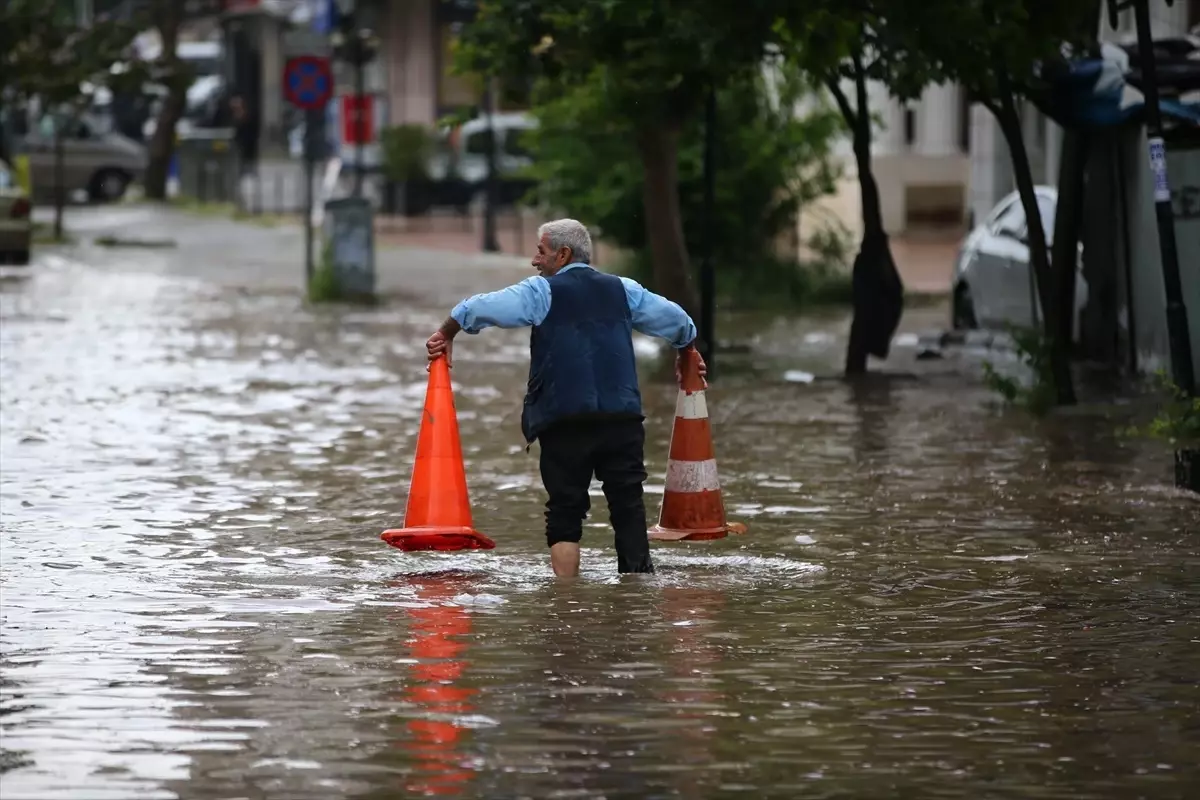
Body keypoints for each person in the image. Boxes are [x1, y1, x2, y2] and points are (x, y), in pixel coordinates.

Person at [425, 219, 706, 578]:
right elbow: (677, 321)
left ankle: (567, 605)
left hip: (564, 421)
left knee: (565, 511)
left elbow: (480, 308)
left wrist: (447, 331)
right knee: (629, 509)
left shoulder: (542, 292)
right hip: (622, 420)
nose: (534, 261)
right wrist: (687, 351)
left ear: (562, 254)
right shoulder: (624, 290)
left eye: (540, 252)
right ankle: (637, 607)